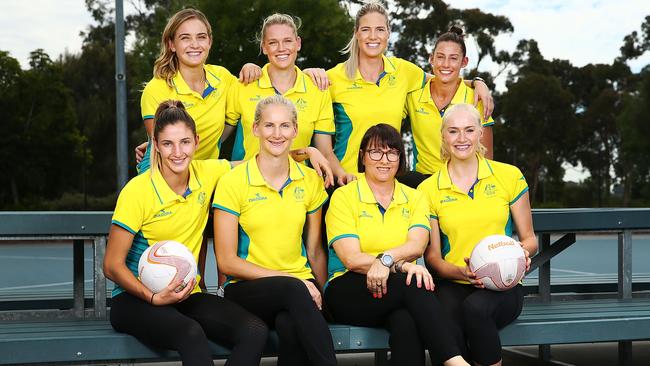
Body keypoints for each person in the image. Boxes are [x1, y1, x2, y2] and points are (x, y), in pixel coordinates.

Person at [104, 100, 268, 366]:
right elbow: (111, 266)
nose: (177, 152)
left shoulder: (208, 173)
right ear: (155, 145)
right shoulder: (137, 191)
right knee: (190, 333)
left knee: (254, 331)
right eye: (168, 144)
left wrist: (310, 152)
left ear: (197, 141)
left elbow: (262, 161)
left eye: (185, 142)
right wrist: (154, 297)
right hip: (134, 299)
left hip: (185, 294)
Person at [324, 123, 469, 366]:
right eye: (375, 152)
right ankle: (456, 362)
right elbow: (351, 259)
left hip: (396, 292)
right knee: (416, 286)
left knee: (407, 324)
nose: (384, 159)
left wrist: (385, 260)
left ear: (400, 158)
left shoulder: (415, 197)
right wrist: (400, 266)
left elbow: (417, 245)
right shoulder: (344, 196)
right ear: (362, 157)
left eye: (392, 152)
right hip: (347, 287)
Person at [136, 8, 332, 183]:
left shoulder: (223, 79)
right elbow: (163, 145)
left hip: (207, 174)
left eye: (201, 37)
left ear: (210, 42)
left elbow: (259, 78)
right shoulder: (156, 89)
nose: (194, 44)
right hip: (164, 175)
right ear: (171, 44)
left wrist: (310, 73)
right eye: (185, 38)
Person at [213, 95, 336, 366]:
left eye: (284, 126)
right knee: (293, 290)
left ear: (295, 130)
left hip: (299, 290)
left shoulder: (310, 180)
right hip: (246, 289)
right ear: (255, 129)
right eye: (269, 126)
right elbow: (226, 261)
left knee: (291, 326)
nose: (277, 134)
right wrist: (294, 282)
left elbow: (314, 250)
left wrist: (322, 294)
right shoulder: (233, 182)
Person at [418, 103, 537, 366]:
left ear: (480, 133)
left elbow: (530, 239)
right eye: (453, 131)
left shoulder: (509, 176)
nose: (462, 139)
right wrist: (462, 273)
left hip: (503, 285)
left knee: (475, 310)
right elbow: (434, 258)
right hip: (454, 283)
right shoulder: (428, 189)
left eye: (469, 130)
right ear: (443, 136)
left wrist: (521, 254)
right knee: (446, 323)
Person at [325, 1, 494, 177]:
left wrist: (477, 82)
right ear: (356, 33)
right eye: (366, 29)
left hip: (387, 180)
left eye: (380, 29)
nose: (373, 36)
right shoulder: (334, 77)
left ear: (388, 34)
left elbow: (442, 78)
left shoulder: (404, 71)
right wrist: (309, 71)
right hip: (346, 180)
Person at [226, 13, 355, 186]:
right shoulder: (243, 85)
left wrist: (342, 175)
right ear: (264, 47)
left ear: (298, 43)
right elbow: (217, 137)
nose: (281, 48)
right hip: (246, 186)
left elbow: (325, 151)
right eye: (273, 42)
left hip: (299, 189)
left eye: (287, 41)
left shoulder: (317, 89)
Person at [401, 26, 494, 188]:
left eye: (453, 58)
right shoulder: (413, 95)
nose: (445, 64)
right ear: (431, 59)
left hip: (463, 183)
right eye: (440, 57)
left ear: (463, 62)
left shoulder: (476, 98)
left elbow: (487, 159)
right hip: (424, 182)